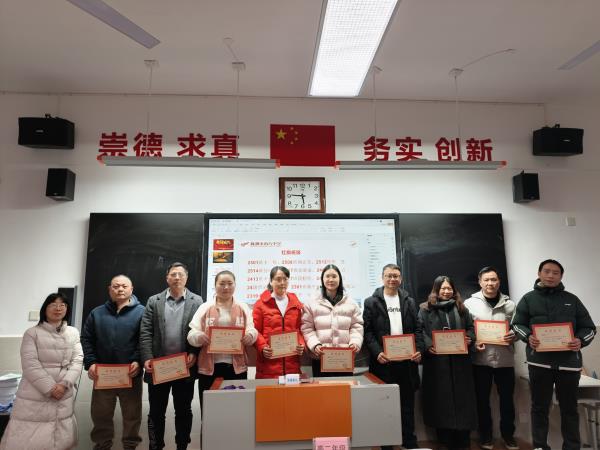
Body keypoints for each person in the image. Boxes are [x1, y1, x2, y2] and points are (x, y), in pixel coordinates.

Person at [512, 259, 596, 450]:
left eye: (555, 272)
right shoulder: (528, 299)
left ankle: (572, 447)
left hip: (569, 364)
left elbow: (589, 328)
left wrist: (580, 340)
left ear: (561, 276)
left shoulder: (572, 300)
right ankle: (540, 446)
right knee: (539, 408)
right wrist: (528, 336)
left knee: (569, 409)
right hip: (539, 363)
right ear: (539, 273)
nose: (550, 275)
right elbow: (517, 324)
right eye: (547, 271)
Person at [0, 293, 83, 450]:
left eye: (63, 305)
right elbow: (30, 364)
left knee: (61, 438)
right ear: (45, 308)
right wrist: (51, 388)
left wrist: (64, 384)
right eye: (53, 304)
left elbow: (78, 360)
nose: (58, 308)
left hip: (64, 392)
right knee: (30, 439)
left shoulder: (73, 332)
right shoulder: (32, 333)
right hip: (35, 393)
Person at [140, 262, 204, 450]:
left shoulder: (197, 301)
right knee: (156, 412)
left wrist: (194, 353)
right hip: (158, 368)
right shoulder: (154, 301)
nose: (177, 278)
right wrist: (147, 358)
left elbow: (200, 331)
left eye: (180, 274)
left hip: (184, 367)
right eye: (173, 274)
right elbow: (145, 331)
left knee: (184, 411)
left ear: (186, 278)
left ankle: (182, 446)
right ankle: (155, 446)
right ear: (167, 278)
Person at [81, 274, 145, 450]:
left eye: (124, 286)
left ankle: (130, 446)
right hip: (103, 375)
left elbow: (145, 339)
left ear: (131, 289)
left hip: (130, 375)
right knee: (100, 415)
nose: (120, 289)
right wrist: (91, 362)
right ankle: (102, 446)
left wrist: (138, 361)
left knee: (132, 416)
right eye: (116, 286)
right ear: (110, 289)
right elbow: (86, 339)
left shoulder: (142, 312)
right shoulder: (97, 313)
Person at [363, 264, 422, 450]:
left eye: (396, 276)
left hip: (407, 362)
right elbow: (367, 332)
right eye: (388, 276)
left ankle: (409, 442)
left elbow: (418, 328)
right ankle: (386, 445)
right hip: (383, 363)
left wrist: (418, 349)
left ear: (401, 279)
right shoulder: (371, 302)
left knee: (407, 405)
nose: (392, 279)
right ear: (382, 278)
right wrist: (377, 352)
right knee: (384, 405)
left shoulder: (409, 301)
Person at [418, 275, 477, 450]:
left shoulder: (461, 308)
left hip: (460, 363)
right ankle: (444, 439)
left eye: (449, 288)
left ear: (453, 290)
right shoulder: (425, 309)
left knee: (463, 400)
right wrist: (428, 345)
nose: (446, 291)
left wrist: (469, 338)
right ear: (436, 290)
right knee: (440, 400)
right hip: (437, 363)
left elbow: (471, 328)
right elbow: (420, 331)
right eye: (442, 288)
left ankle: (463, 438)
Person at [464, 266, 519, 450]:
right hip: (481, 359)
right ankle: (485, 437)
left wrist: (514, 335)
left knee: (507, 401)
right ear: (480, 282)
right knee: (482, 401)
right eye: (486, 280)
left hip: (505, 360)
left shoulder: (510, 304)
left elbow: (518, 328)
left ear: (499, 282)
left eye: (494, 279)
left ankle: (508, 436)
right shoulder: (469, 304)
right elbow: (466, 330)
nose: (490, 283)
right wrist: (473, 342)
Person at [187, 270, 257, 409]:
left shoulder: (243, 307)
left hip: (236, 368)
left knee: (236, 408)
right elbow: (191, 333)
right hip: (209, 368)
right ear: (215, 286)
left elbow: (252, 330)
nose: (226, 287)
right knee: (210, 409)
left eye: (230, 283)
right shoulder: (205, 307)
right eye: (222, 284)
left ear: (235, 285)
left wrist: (250, 336)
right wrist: (199, 337)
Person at [301, 264, 363, 377]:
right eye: (327, 276)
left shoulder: (351, 303)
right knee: (323, 388)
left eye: (334, 276)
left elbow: (357, 326)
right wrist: (315, 345)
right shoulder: (311, 303)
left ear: (340, 279)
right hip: (321, 357)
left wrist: (355, 343)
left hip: (344, 357)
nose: (331, 279)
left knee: (344, 387)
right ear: (322, 279)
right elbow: (307, 328)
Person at [253, 266, 305, 378]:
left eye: (285, 279)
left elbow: (300, 330)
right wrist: (262, 347)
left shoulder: (296, 304)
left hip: (292, 365)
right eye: (278, 279)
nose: (282, 283)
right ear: (271, 281)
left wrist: (301, 344)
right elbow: (255, 331)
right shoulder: (260, 304)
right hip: (268, 364)